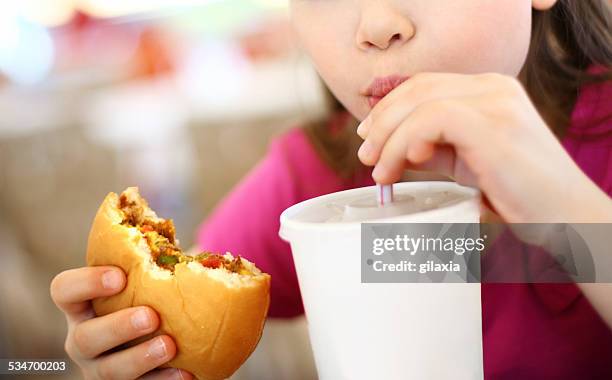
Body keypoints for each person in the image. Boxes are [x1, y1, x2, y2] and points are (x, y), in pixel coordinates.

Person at [51, 0, 612, 378]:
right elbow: (188, 299)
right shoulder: (315, 184)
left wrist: (559, 205)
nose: (375, 25)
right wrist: (128, 340)